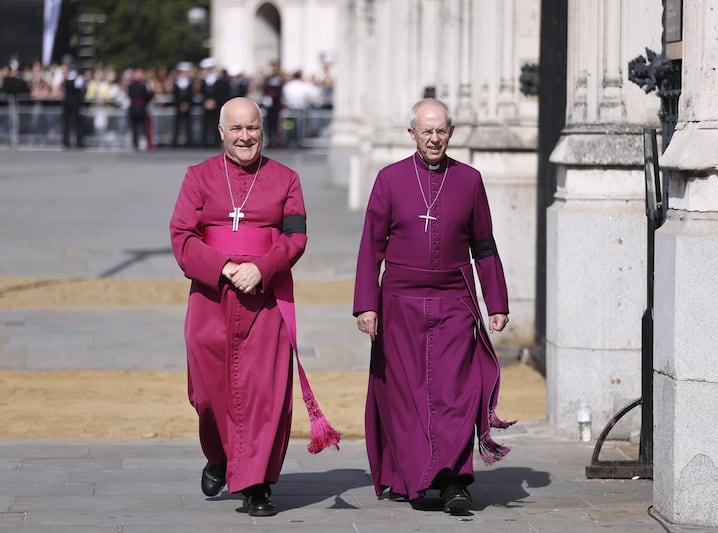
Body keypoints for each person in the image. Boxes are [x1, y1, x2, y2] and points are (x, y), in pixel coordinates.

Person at [170, 97, 340, 518]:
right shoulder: (198, 176)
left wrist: (262, 270)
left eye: (253, 129)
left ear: (263, 131)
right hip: (211, 297)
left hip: (266, 299)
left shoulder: (286, 178)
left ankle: (257, 484)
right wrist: (225, 267)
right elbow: (182, 236)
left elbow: (296, 236)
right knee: (208, 396)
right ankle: (220, 454)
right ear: (221, 133)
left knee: (264, 394)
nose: (246, 137)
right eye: (237, 129)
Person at [353, 98, 514, 514]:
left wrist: (496, 301)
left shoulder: (470, 180)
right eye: (426, 131)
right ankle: (416, 475)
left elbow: (484, 244)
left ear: (451, 133)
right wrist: (365, 305)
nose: (434, 138)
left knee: (458, 392)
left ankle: (454, 481)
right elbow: (371, 247)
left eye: (441, 130)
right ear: (412, 134)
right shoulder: (389, 179)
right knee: (407, 395)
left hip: (454, 300)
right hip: (400, 302)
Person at [127, 67, 153, 150]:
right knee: (143, 127)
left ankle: (135, 144)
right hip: (141, 108)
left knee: (135, 127)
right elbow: (147, 97)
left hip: (133, 108)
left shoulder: (130, 86)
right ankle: (147, 143)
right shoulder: (142, 86)